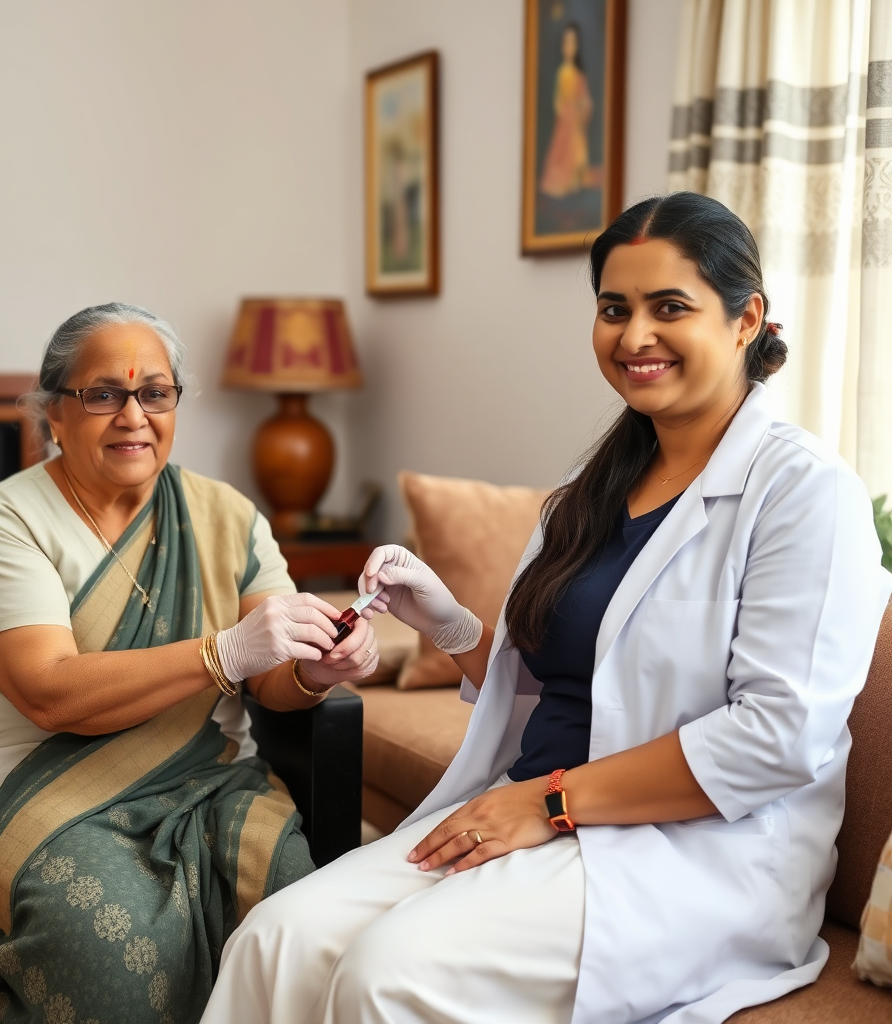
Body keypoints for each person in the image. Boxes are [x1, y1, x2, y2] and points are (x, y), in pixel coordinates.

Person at [201, 193, 892, 1024]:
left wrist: (549, 802)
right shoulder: (591, 495)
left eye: (669, 307)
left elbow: (777, 737)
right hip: (540, 808)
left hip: (694, 855)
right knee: (278, 936)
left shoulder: (806, 493)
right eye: (614, 308)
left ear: (747, 320)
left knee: (391, 975)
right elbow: (568, 680)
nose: (634, 335)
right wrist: (448, 622)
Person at [0, 303, 379, 1024]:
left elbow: (273, 680)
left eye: (155, 393)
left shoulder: (226, 514)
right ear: (53, 415)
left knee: (307, 910)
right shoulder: (10, 518)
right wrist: (221, 651)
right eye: (104, 393)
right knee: (120, 949)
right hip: (33, 781)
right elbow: (49, 694)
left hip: (203, 777)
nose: (134, 415)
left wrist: (317, 669)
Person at [540, 22, 593, 198]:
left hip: (576, 117)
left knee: (577, 150)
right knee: (563, 152)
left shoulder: (578, 74)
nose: (569, 47)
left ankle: (574, 181)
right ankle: (561, 182)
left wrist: (582, 107)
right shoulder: (563, 72)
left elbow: (584, 98)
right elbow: (559, 97)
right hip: (566, 119)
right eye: (566, 43)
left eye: (573, 43)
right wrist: (564, 111)